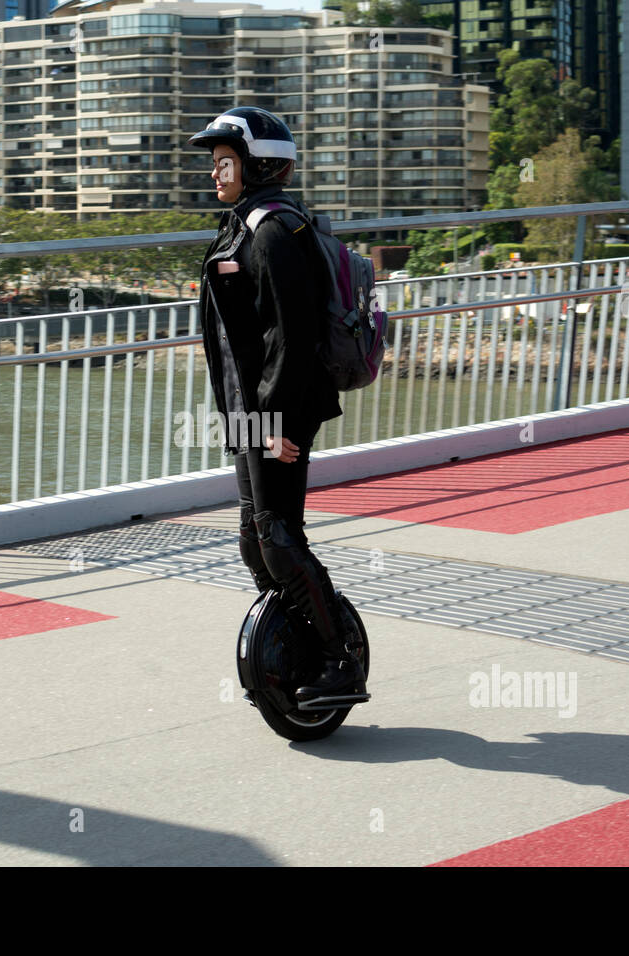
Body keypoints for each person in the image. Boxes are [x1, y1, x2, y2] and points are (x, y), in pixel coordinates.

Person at [188, 106, 369, 709]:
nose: (216, 174)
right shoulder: (241, 225)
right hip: (249, 408)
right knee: (253, 536)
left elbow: (288, 339)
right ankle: (294, 636)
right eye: (215, 164)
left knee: (279, 535)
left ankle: (338, 657)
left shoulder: (271, 232)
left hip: (277, 412)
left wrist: (271, 426)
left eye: (225, 163)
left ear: (256, 164)